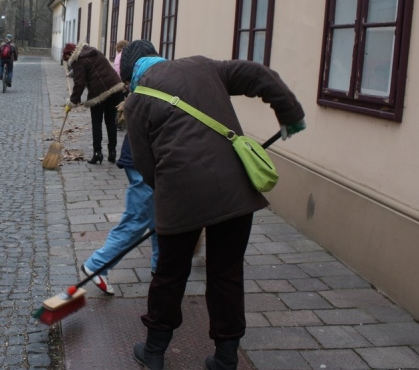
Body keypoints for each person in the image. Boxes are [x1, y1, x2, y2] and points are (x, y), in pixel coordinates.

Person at [120, 40, 306, 370]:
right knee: (226, 273)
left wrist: (169, 199)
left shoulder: (136, 103)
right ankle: (225, 358)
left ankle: (153, 352)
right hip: (235, 191)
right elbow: (257, 74)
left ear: (131, 75)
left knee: (169, 274)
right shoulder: (203, 67)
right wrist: (289, 113)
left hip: (181, 196)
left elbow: (147, 169)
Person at [81, 134, 159, 295]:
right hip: (147, 158)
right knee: (137, 218)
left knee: (159, 214)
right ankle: (97, 265)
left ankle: (161, 264)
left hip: (145, 154)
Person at [63, 42, 124, 164]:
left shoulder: (77, 60)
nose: (69, 61)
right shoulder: (92, 51)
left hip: (99, 92)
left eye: (68, 58)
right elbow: (87, 70)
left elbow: (79, 83)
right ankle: (112, 153)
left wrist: (72, 102)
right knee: (111, 121)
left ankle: (97, 153)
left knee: (97, 122)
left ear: (71, 53)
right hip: (115, 87)